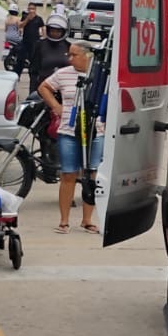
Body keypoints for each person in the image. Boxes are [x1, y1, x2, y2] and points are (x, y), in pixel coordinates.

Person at [39, 39, 104, 233]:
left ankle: (87, 219)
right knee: (68, 174)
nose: (70, 58)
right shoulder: (64, 74)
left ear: (87, 56)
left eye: (74, 55)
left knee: (92, 174)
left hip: (95, 131)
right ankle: (64, 220)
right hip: (68, 130)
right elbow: (44, 87)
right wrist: (56, 107)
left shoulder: (100, 76)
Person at [12, 0, 47, 85]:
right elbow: (20, 25)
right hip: (25, 42)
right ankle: (16, 77)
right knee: (20, 61)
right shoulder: (25, 17)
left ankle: (34, 79)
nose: (31, 10)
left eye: (33, 8)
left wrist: (44, 38)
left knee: (34, 63)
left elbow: (43, 28)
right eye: (29, 8)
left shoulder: (39, 19)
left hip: (35, 43)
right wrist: (27, 19)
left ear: (35, 9)